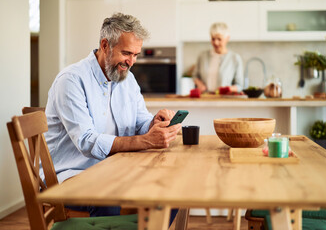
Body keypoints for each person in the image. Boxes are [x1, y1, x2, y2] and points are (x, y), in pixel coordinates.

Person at [43, 12, 181, 221]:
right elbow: (87, 142)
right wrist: (145, 140)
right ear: (105, 45)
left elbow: (139, 122)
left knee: (171, 188)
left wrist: (154, 123)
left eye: (136, 54)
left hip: (114, 170)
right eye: (126, 53)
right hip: (70, 175)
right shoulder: (71, 80)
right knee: (107, 197)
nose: (131, 62)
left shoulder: (127, 79)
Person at [193, 22, 244, 94]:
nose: (216, 42)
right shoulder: (202, 56)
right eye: (213, 39)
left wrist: (227, 89)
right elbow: (195, 75)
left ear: (227, 38)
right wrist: (199, 84)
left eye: (219, 39)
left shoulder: (235, 58)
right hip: (205, 97)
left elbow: (240, 85)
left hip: (224, 99)